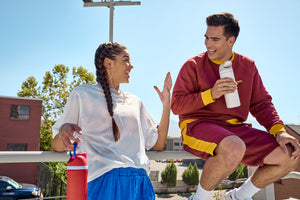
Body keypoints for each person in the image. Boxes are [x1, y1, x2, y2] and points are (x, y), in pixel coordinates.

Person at [171, 12, 300, 200]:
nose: (208, 44)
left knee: (290, 155)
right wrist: (210, 95)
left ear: (231, 41)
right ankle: (198, 198)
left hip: (234, 128)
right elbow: (176, 105)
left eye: (215, 39)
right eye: (206, 38)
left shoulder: (247, 66)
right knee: (234, 146)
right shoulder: (192, 65)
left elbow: (262, 104)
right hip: (197, 123)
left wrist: (279, 131)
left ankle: (237, 197)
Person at [52, 42, 172, 200]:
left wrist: (166, 104)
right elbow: (56, 145)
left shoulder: (135, 101)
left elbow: (158, 144)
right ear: (108, 63)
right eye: (126, 60)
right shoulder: (82, 94)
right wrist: (63, 132)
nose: (131, 66)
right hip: (102, 183)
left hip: (140, 185)